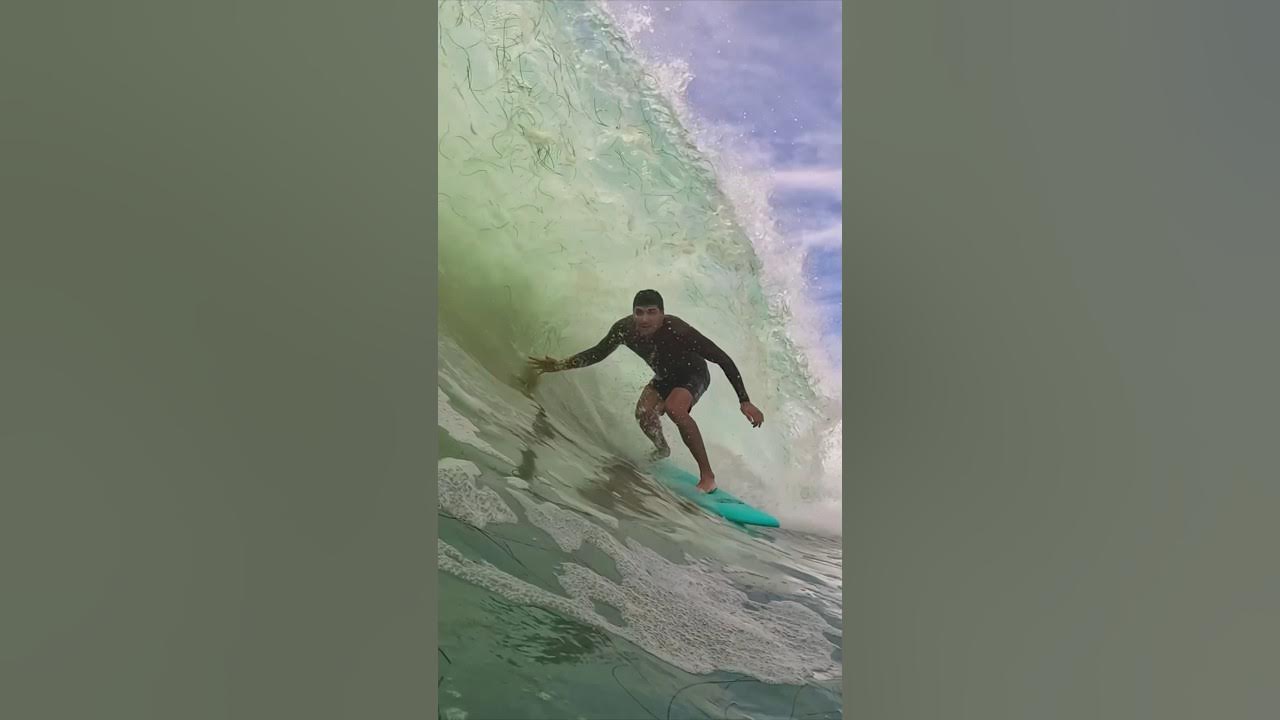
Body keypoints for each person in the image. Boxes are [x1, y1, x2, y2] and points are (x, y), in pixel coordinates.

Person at [527, 289, 764, 494]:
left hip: (694, 374)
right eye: (639, 312)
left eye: (651, 312)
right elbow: (598, 353)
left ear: (662, 314)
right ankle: (662, 448)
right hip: (664, 378)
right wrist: (559, 365)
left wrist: (744, 401)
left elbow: (723, 359)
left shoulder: (678, 330)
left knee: (674, 408)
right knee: (643, 413)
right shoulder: (624, 330)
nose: (644, 318)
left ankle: (708, 477)